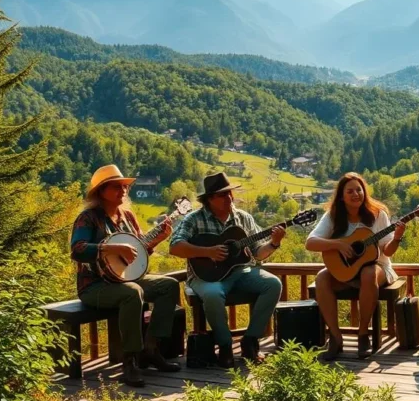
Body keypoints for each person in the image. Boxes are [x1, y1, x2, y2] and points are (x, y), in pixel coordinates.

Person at [70, 164, 181, 388]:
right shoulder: (88, 218)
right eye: (116, 187)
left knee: (168, 286)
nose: (123, 191)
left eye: (124, 187)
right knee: (133, 292)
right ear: (100, 192)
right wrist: (109, 248)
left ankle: (151, 349)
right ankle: (129, 361)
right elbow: (77, 250)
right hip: (95, 286)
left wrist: (157, 239)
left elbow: (138, 251)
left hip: (126, 279)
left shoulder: (128, 216)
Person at [169, 172, 284, 368]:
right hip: (205, 276)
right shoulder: (193, 219)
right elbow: (175, 247)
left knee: (273, 284)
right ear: (209, 199)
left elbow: (258, 253)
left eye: (229, 193)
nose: (228, 198)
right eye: (222, 195)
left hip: (240, 272)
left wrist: (274, 243)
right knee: (213, 294)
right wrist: (208, 251)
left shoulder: (243, 218)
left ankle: (250, 341)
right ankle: (225, 346)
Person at [305, 172, 405, 360]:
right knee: (321, 278)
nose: (355, 194)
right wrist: (338, 244)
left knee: (368, 273)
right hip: (347, 271)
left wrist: (398, 236)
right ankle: (335, 337)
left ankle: (363, 334)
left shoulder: (378, 215)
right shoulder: (333, 216)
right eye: (350, 191)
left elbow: (388, 251)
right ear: (342, 197)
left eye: (359, 190)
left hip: (379, 268)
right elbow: (310, 243)